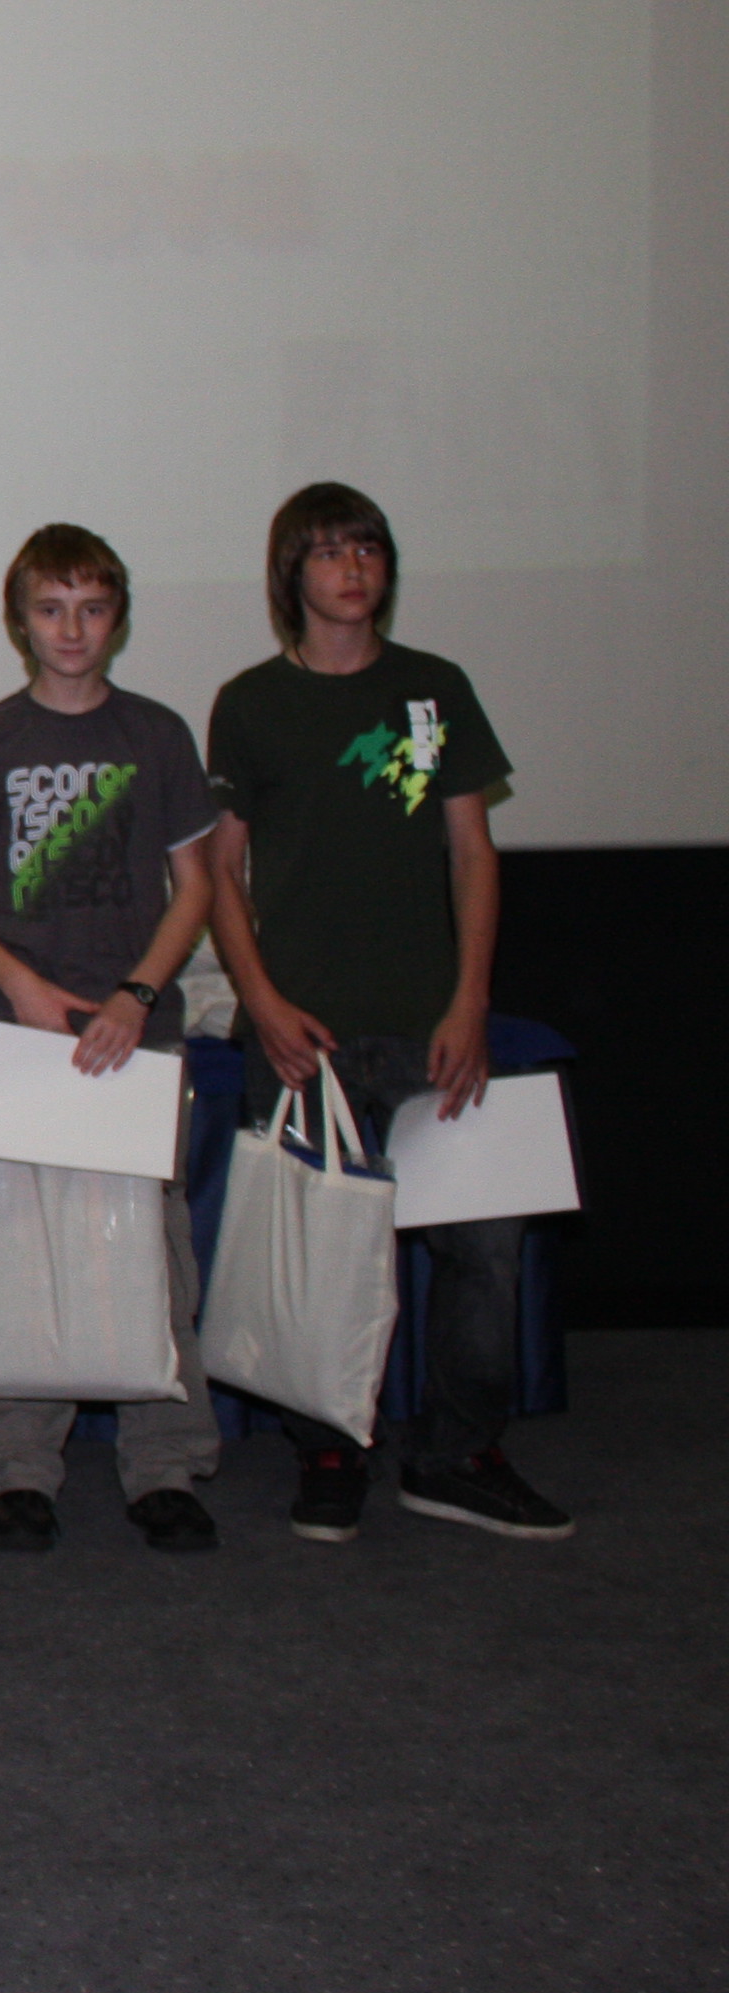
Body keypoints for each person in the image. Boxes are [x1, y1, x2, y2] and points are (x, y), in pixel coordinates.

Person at [202, 483, 562, 1542]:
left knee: (486, 1247)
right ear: (291, 575)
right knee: (316, 1253)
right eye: (326, 552)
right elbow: (221, 873)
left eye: (366, 548)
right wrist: (262, 1003)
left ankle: (455, 1454)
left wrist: (470, 1002)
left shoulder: (433, 689)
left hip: (428, 1026)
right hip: (301, 1035)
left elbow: (472, 854)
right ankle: (327, 1451)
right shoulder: (250, 703)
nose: (351, 568)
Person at [0, 525, 222, 1554]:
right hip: (11, 1035)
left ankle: (164, 1466)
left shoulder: (158, 736)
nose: (72, 629)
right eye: (51, 610)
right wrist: (22, 986)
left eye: (91, 609)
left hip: (134, 1037)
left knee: (153, 1254)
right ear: (21, 623)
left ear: (117, 619)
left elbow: (196, 887)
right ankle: (16, 1468)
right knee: (6, 1254)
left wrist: (136, 995)